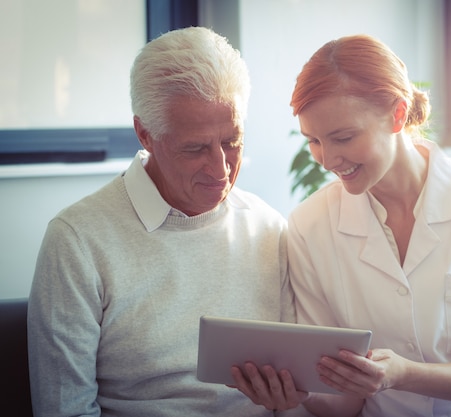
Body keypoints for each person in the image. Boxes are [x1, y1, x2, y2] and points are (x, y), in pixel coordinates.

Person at [231, 34, 451, 416]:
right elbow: (344, 403)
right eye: (313, 141)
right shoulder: (309, 225)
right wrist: (299, 396)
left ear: (398, 115)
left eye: (344, 137)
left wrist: (401, 374)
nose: (327, 159)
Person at [27, 27, 310, 417]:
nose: (221, 168)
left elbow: (296, 393)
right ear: (145, 134)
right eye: (195, 148)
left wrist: (292, 402)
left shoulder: (268, 228)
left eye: (232, 141)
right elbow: (65, 408)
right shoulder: (78, 240)